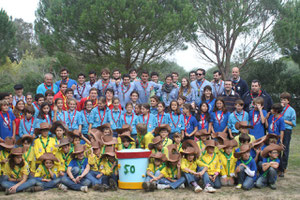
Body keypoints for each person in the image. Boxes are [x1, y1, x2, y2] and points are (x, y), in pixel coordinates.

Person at [278, 92, 297, 177]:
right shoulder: (279, 108)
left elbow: (293, 123)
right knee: (277, 148)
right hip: (278, 130)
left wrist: (283, 120)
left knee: (285, 149)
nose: (283, 101)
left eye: (285, 100)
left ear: (288, 101)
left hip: (286, 131)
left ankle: (283, 169)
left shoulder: (291, 110)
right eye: (281, 99)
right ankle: (277, 167)